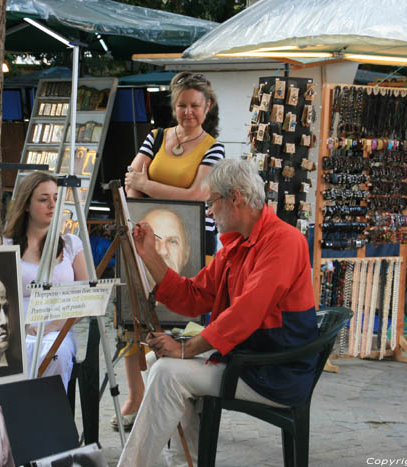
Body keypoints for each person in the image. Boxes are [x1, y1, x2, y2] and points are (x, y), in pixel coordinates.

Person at [117, 159, 318, 467]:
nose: (208, 211)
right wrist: (151, 257)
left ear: (235, 198)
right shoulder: (235, 246)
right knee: (159, 363)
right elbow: (195, 297)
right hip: (248, 357)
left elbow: (245, 315)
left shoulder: (285, 241)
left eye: (211, 202)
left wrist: (186, 348)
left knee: (167, 373)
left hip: (274, 371)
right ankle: (186, 462)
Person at [117, 71, 225, 429]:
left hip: (192, 243)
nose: (188, 112)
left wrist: (149, 184)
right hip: (147, 235)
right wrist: (143, 189)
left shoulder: (214, 147)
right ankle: (135, 395)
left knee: (183, 316)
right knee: (136, 315)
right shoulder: (156, 137)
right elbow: (130, 185)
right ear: (174, 105)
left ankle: (175, 398)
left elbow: (199, 194)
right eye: (182, 105)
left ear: (206, 107)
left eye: (195, 105)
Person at [3, 172, 88, 390]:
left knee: (55, 354)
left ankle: (47, 413)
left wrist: (58, 325)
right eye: (43, 199)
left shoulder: (70, 244)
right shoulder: (6, 245)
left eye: (56, 198)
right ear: (27, 205)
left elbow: (87, 298)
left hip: (57, 328)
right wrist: (20, 326)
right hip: (16, 328)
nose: (52, 205)